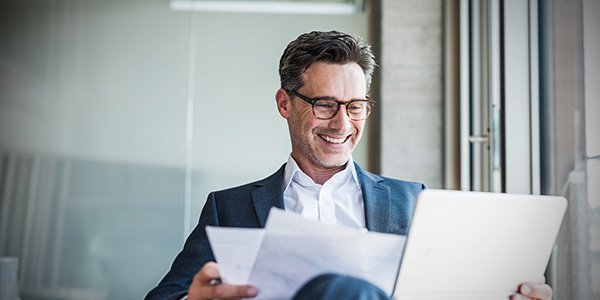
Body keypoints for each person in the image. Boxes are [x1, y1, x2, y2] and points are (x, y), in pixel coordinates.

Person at [146, 30, 553, 300]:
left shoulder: (415, 201)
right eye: (325, 104)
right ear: (285, 104)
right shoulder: (229, 208)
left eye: (355, 106)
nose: (342, 124)